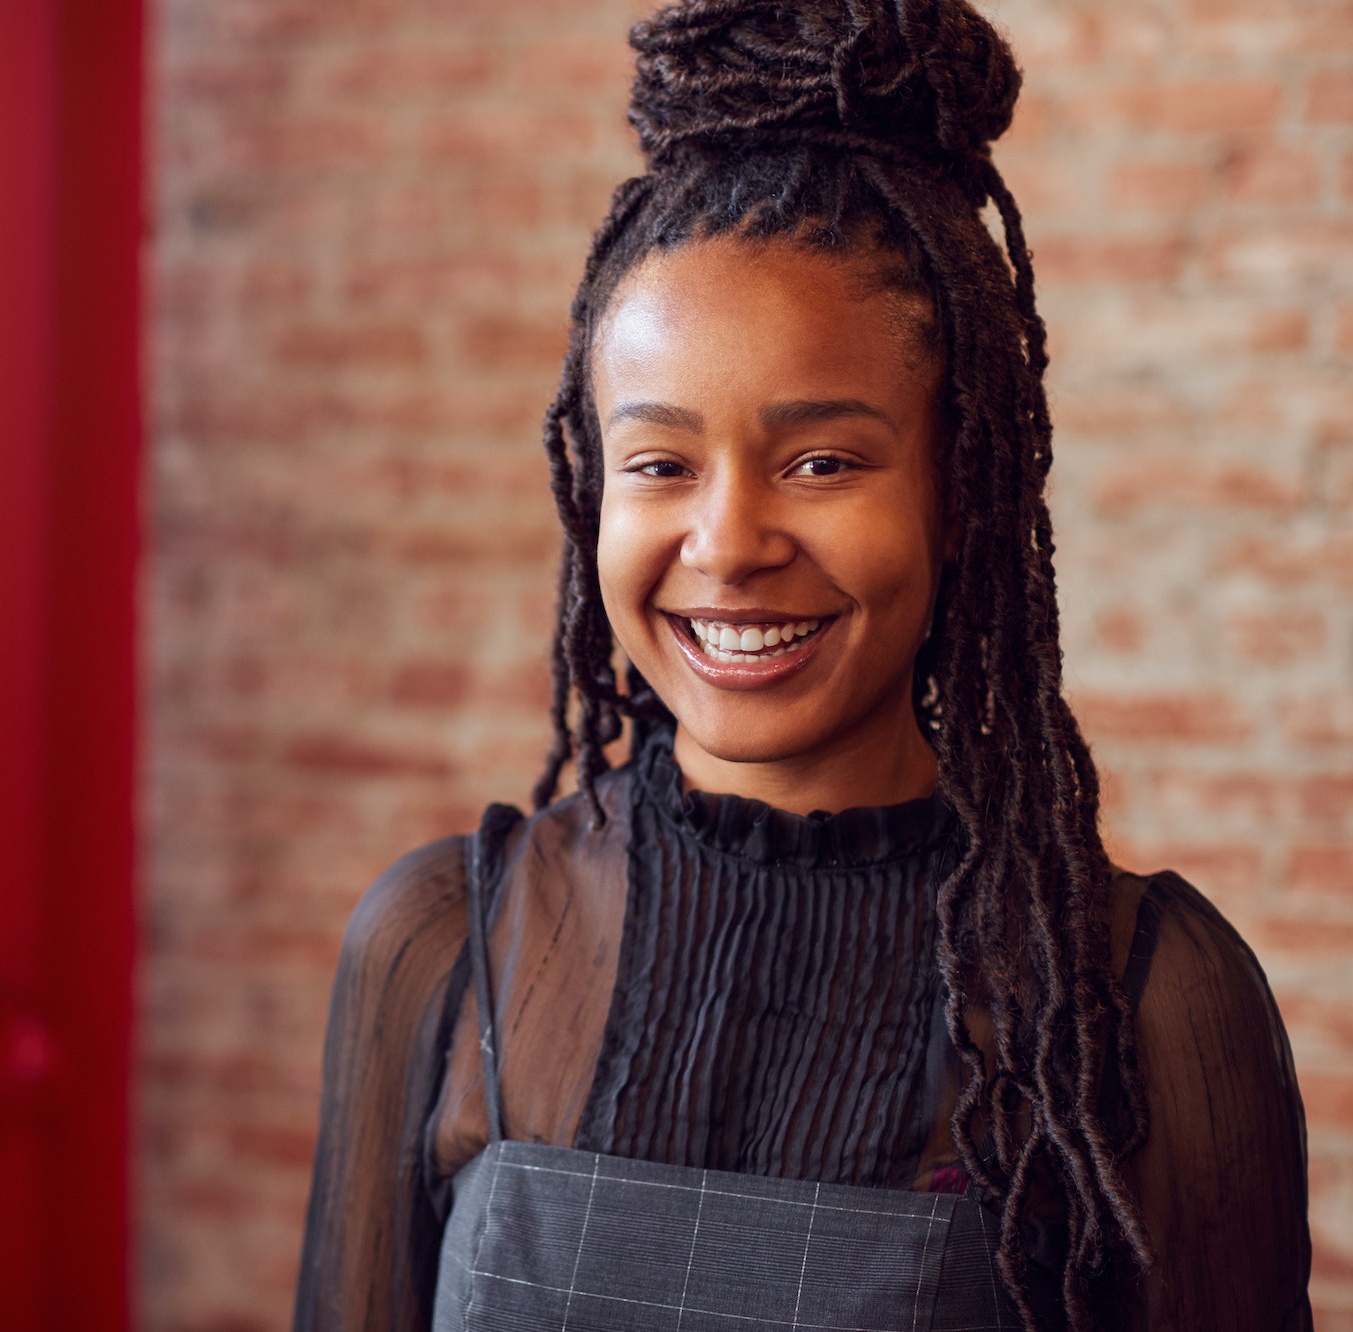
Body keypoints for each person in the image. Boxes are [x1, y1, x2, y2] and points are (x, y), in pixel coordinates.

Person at [292, 2, 1313, 1330]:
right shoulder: (443, 947)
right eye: (659, 465)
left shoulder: (1135, 1002)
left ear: (960, 492)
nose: (729, 544)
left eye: (821, 462)